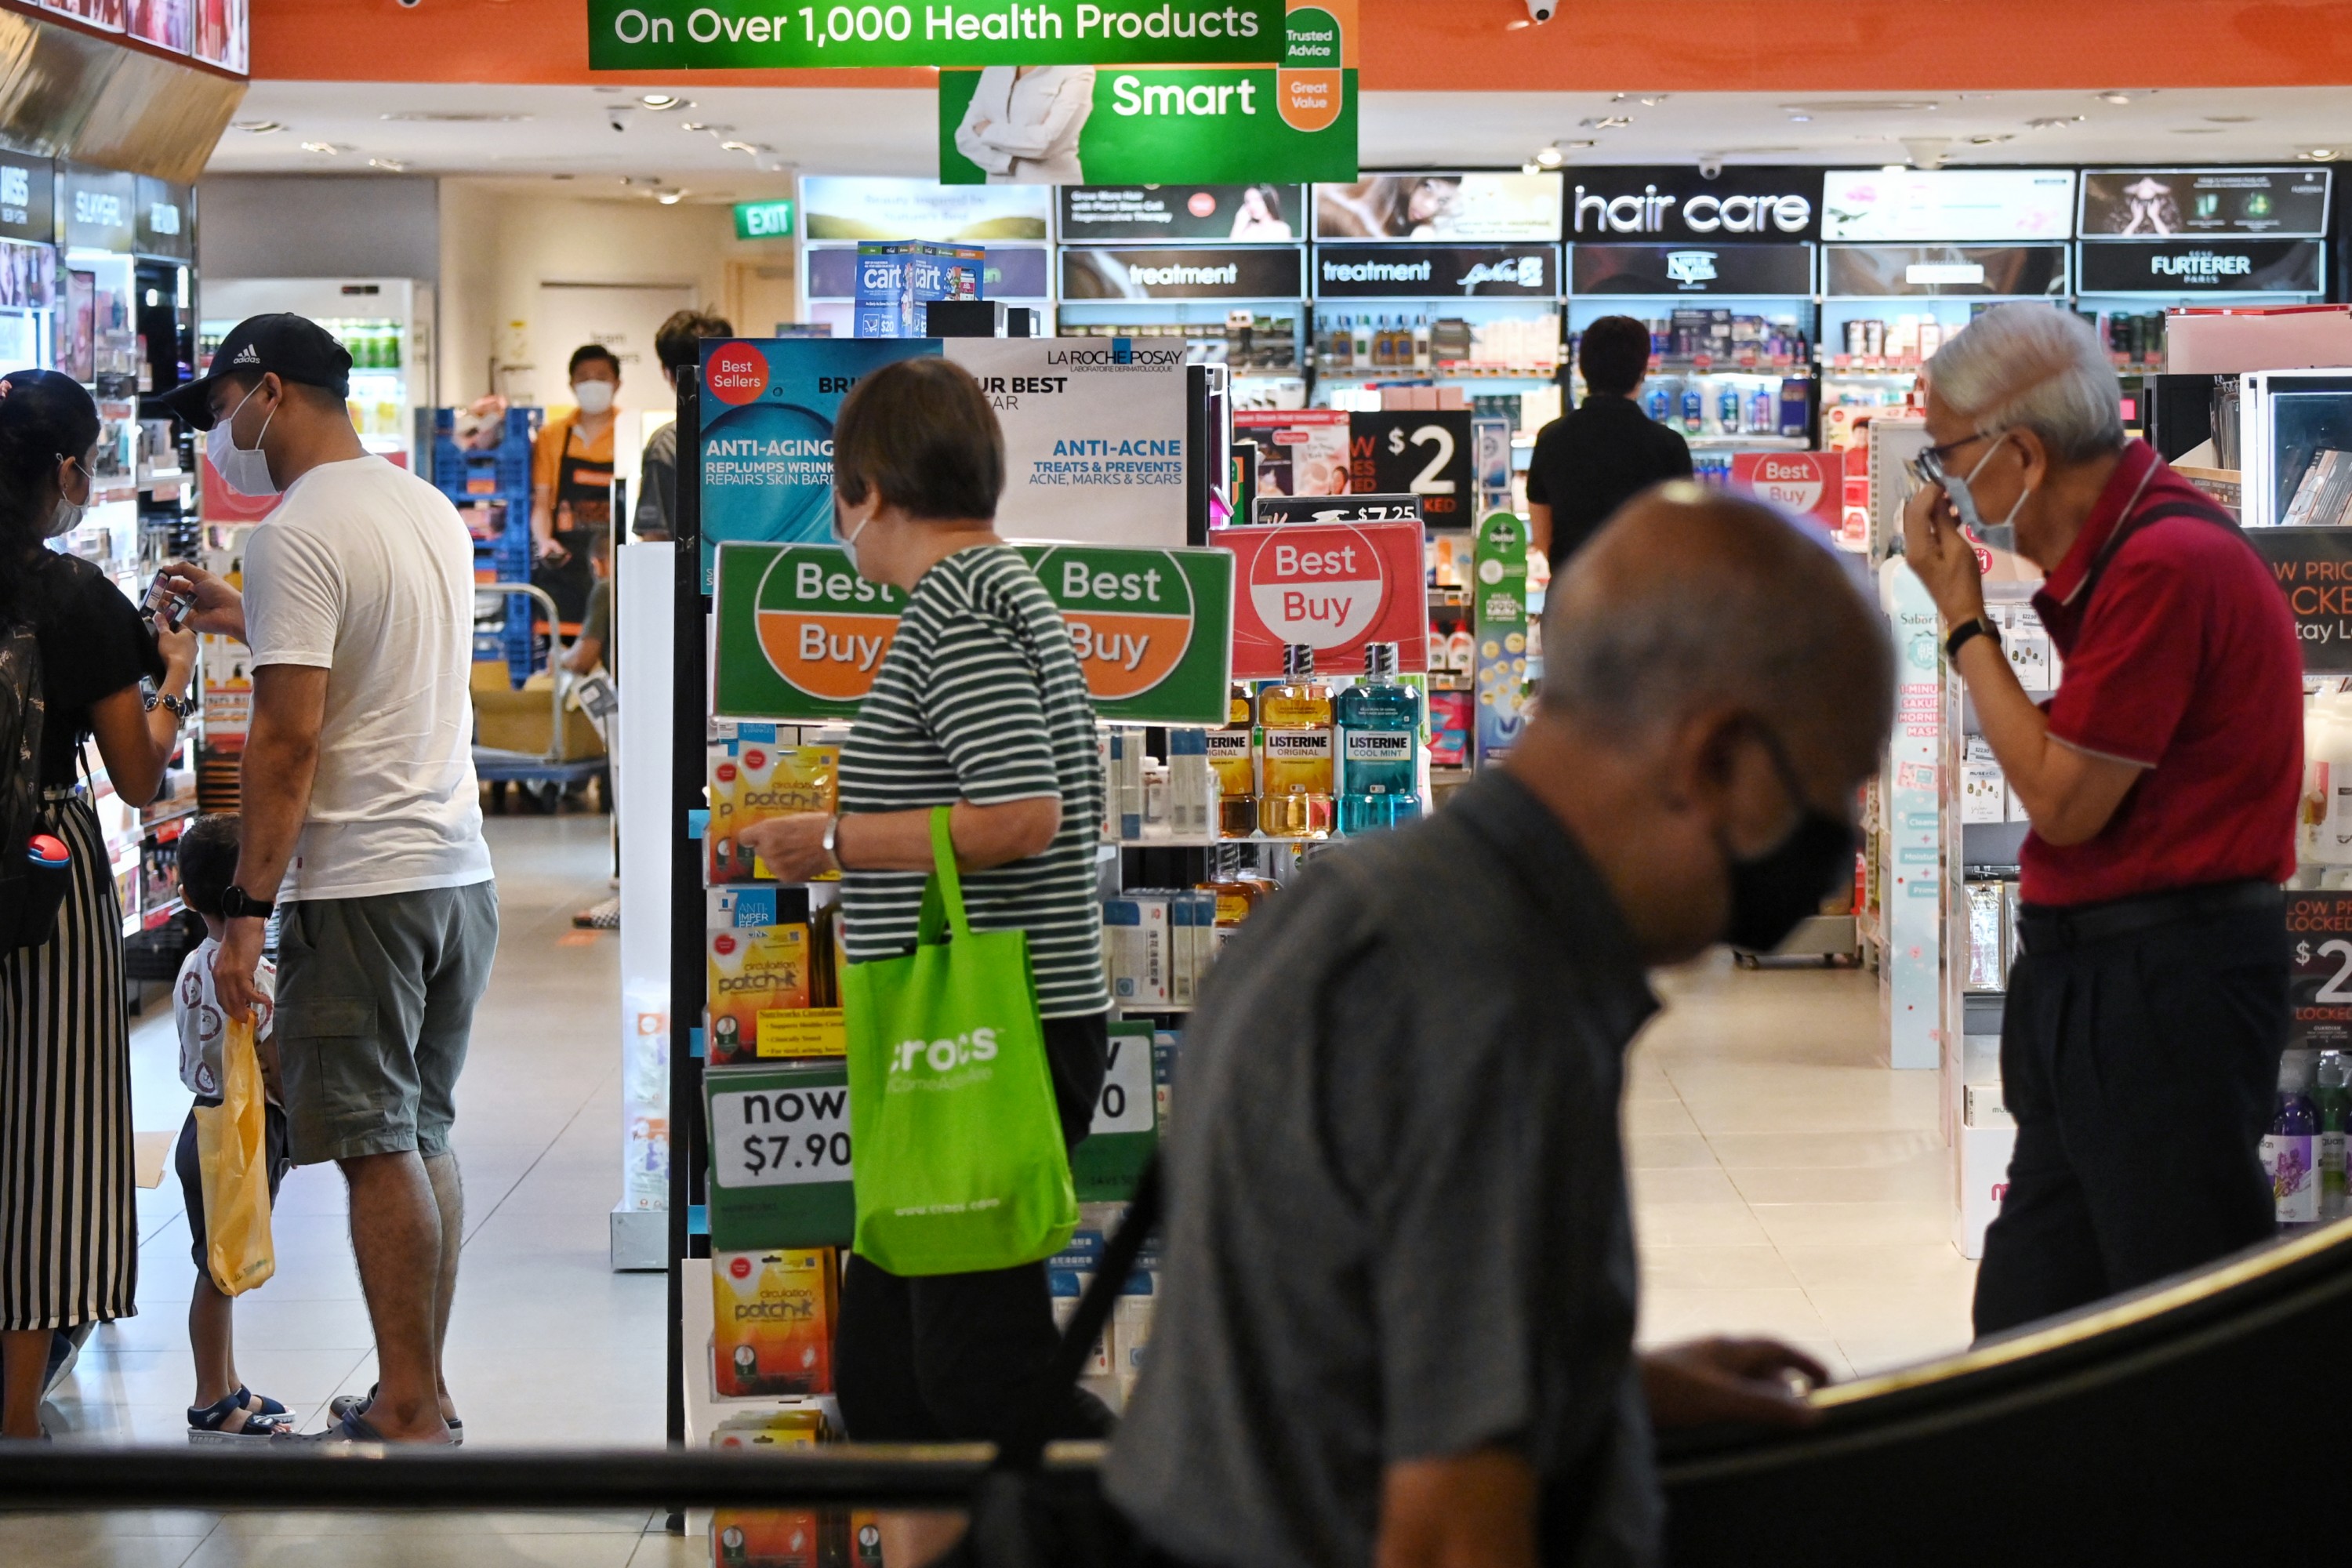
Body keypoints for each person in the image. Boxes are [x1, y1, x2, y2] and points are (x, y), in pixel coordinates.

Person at [1107, 486, 1893, 1568]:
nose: (1835, 844)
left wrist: (1593, 1386)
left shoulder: (1360, 901)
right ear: (1713, 759)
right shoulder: (1489, 999)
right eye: (1833, 789)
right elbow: (1443, 1539)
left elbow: (1326, 1373)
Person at [1900, 303, 2303, 1338]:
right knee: (2031, 1316)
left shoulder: (2167, 564)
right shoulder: (2130, 551)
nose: (1939, 489)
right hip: (2101, 983)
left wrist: (1963, 619)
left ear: (2021, 455)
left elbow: (2065, 800)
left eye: (1944, 458)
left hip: (2162, 989)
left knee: (2180, 1325)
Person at [731, 358, 1111, 1456]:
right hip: (966, 1027)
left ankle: (1184, 1511)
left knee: (980, 1373)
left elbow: (1022, 813)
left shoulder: (960, 609)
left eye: (837, 493)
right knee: (889, 1380)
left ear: (870, 489)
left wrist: (836, 842)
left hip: (987, 1031)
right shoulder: (995, 588)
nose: (837, 523)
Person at [159, 312, 497, 1444]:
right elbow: (377, 656)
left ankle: (404, 1405)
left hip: (359, 882)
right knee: (421, 1129)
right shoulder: (424, 505)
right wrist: (243, 614)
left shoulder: (295, 531)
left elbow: (287, 741)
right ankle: (426, 1387)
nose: (220, 435)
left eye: (221, 410)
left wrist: (245, 914)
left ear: (269, 392)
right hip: (455, 870)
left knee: (370, 1141)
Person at [0, 369, 198, 1439]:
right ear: (69, 470)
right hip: (42, 869)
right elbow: (136, 773)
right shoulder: (75, 596)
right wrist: (173, 678)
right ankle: (18, 1416)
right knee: (50, 1128)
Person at [171, 813, 296, 1442]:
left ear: (185, 894)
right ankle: (211, 1402)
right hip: (242, 1135)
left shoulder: (193, 965)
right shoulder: (256, 977)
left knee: (219, 1260)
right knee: (218, 1273)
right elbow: (273, 1066)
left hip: (202, 1120)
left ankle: (229, 1382)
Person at [1526, 314, 1693, 573]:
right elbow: (1682, 536)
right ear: (1642, 371)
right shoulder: (1669, 446)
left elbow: (1542, 537)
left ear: (1582, 369)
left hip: (1572, 591)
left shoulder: (1551, 438)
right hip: (1644, 592)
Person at [530, 343, 621, 623]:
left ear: (617, 383)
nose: (592, 384)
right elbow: (542, 502)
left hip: (617, 561)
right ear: (572, 384)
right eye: (584, 377)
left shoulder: (630, 429)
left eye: (601, 377)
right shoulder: (553, 436)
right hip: (567, 562)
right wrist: (544, 541)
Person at [633, 309, 733, 543]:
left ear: (668, 373)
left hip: (693, 566)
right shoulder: (762, 433)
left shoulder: (668, 443)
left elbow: (656, 538)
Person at [952, 65, 1097, 184]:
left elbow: (1047, 142)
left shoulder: (1076, 70)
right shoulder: (994, 69)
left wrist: (987, 130)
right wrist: (1007, 162)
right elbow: (965, 136)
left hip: (1053, 190)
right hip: (997, 193)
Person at [1228, 183, 1292, 241]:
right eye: (1248, 202)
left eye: (1257, 200)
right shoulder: (1247, 230)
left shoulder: (1281, 229)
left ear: (1268, 200)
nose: (1252, 206)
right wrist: (1239, 224)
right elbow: (1232, 248)